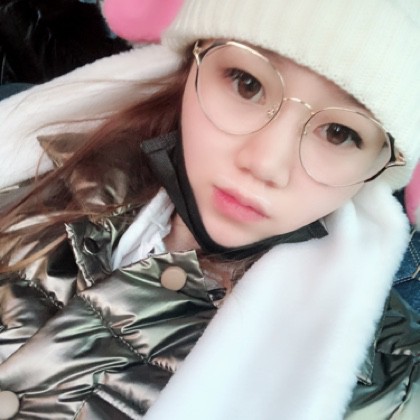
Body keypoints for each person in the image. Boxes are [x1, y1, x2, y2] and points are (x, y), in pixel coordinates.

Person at [0, 0, 419, 419]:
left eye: (340, 133)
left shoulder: (392, 391)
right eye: (247, 84)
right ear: (192, 65)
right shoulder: (35, 159)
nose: (265, 163)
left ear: (379, 167)